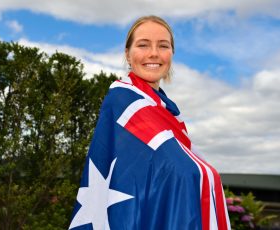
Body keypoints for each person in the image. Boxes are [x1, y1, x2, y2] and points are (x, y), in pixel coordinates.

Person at [69, 15, 231, 230]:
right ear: (128, 54)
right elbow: (180, 170)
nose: (153, 53)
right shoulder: (123, 98)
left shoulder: (167, 110)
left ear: (171, 54)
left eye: (163, 46)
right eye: (143, 45)